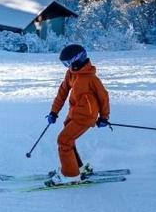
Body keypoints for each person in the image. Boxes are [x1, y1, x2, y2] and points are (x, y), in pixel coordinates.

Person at [45, 44, 110, 185]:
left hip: (87, 116)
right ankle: (77, 168)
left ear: (78, 59)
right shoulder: (71, 74)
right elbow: (62, 93)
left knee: (63, 140)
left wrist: (104, 117)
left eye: (68, 62)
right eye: (65, 64)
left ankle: (71, 175)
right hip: (74, 114)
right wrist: (53, 112)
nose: (67, 66)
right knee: (68, 140)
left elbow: (104, 97)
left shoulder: (91, 79)